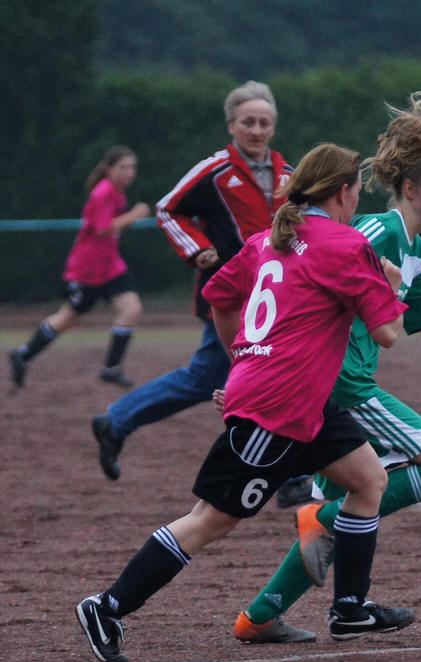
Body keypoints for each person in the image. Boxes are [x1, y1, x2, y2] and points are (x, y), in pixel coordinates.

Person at [76, 142, 414, 662]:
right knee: (210, 520)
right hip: (277, 407)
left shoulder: (267, 238)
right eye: (356, 193)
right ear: (344, 193)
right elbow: (388, 333)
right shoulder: (346, 244)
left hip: (299, 401)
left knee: (369, 480)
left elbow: (218, 297)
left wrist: (244, 362)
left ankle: (350, 609)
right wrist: (394, 285)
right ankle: (107, 607)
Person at [228, 89, 421, 645]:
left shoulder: (414, 254)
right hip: (342, 384)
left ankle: (259, 616)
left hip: (336, 387)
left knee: (352, 504)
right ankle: (320, 530)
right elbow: (328, 259)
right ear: (409, 189)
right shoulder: (378, 232)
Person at [90, 81, 308, 506]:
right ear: (232, 126)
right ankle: (292, 478)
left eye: (264, 123)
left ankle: (117, 421)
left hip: (275, 298)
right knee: (243, 376)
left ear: (274, 127)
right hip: (229, 297)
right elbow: (168, 209)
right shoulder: (215, 170)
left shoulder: (290, 175)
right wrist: (198, 249)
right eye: (248, 122)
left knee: (244, 376)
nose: (257, 130)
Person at [9, 146, 149, 389]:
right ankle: (23, 355)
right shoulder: (103, 192)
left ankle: (111, 368)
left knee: (132, 309)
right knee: (67, 318)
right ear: (109, 169)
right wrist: (135, 214)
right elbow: (103, 229)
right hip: (88, 269)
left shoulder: (117, 192)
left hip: (110, 266)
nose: (129, 172)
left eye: (132, 167)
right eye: (123, 167)